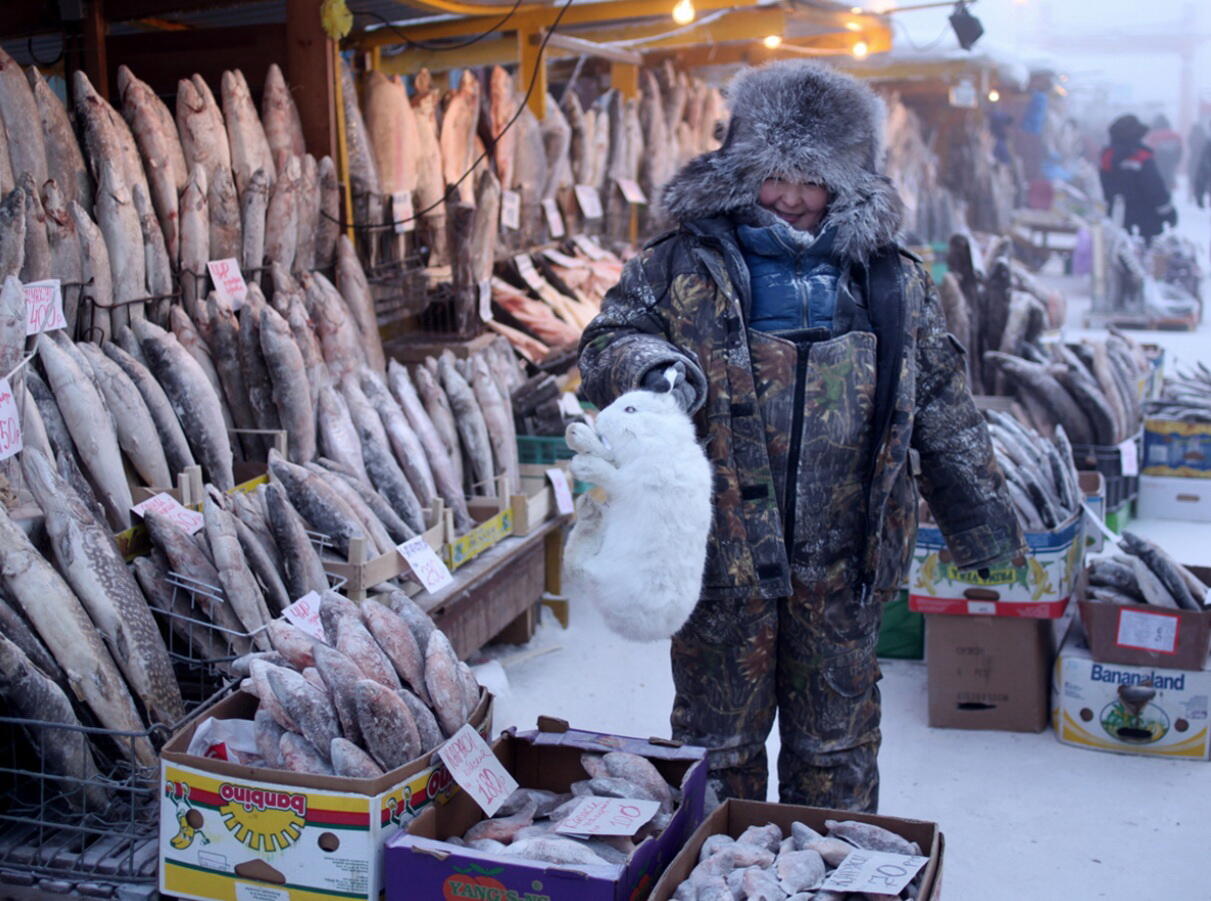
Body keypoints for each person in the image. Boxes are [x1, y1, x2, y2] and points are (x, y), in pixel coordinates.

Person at [578, 61, 1025, 813]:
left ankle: (835, 873)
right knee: (716, 747)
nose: (789, 196)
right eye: (772, 175)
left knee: (836, 749)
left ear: (847, 180)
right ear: (740, 166)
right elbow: (605, 340)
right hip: (723, 554)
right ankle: (714, 868)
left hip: (845, 562)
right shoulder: (679, 264)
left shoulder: (891, 281)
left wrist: (983, 532)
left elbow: (942, 400)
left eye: (810, 180)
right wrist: (650, 366)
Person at [1100, 114, 1176, 245]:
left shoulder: (1107, 156)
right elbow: (1155, 188)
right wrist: (1168, 212)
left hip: (1117, 220)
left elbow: (1103, 188)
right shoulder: (1141, 157)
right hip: (1146, 221)